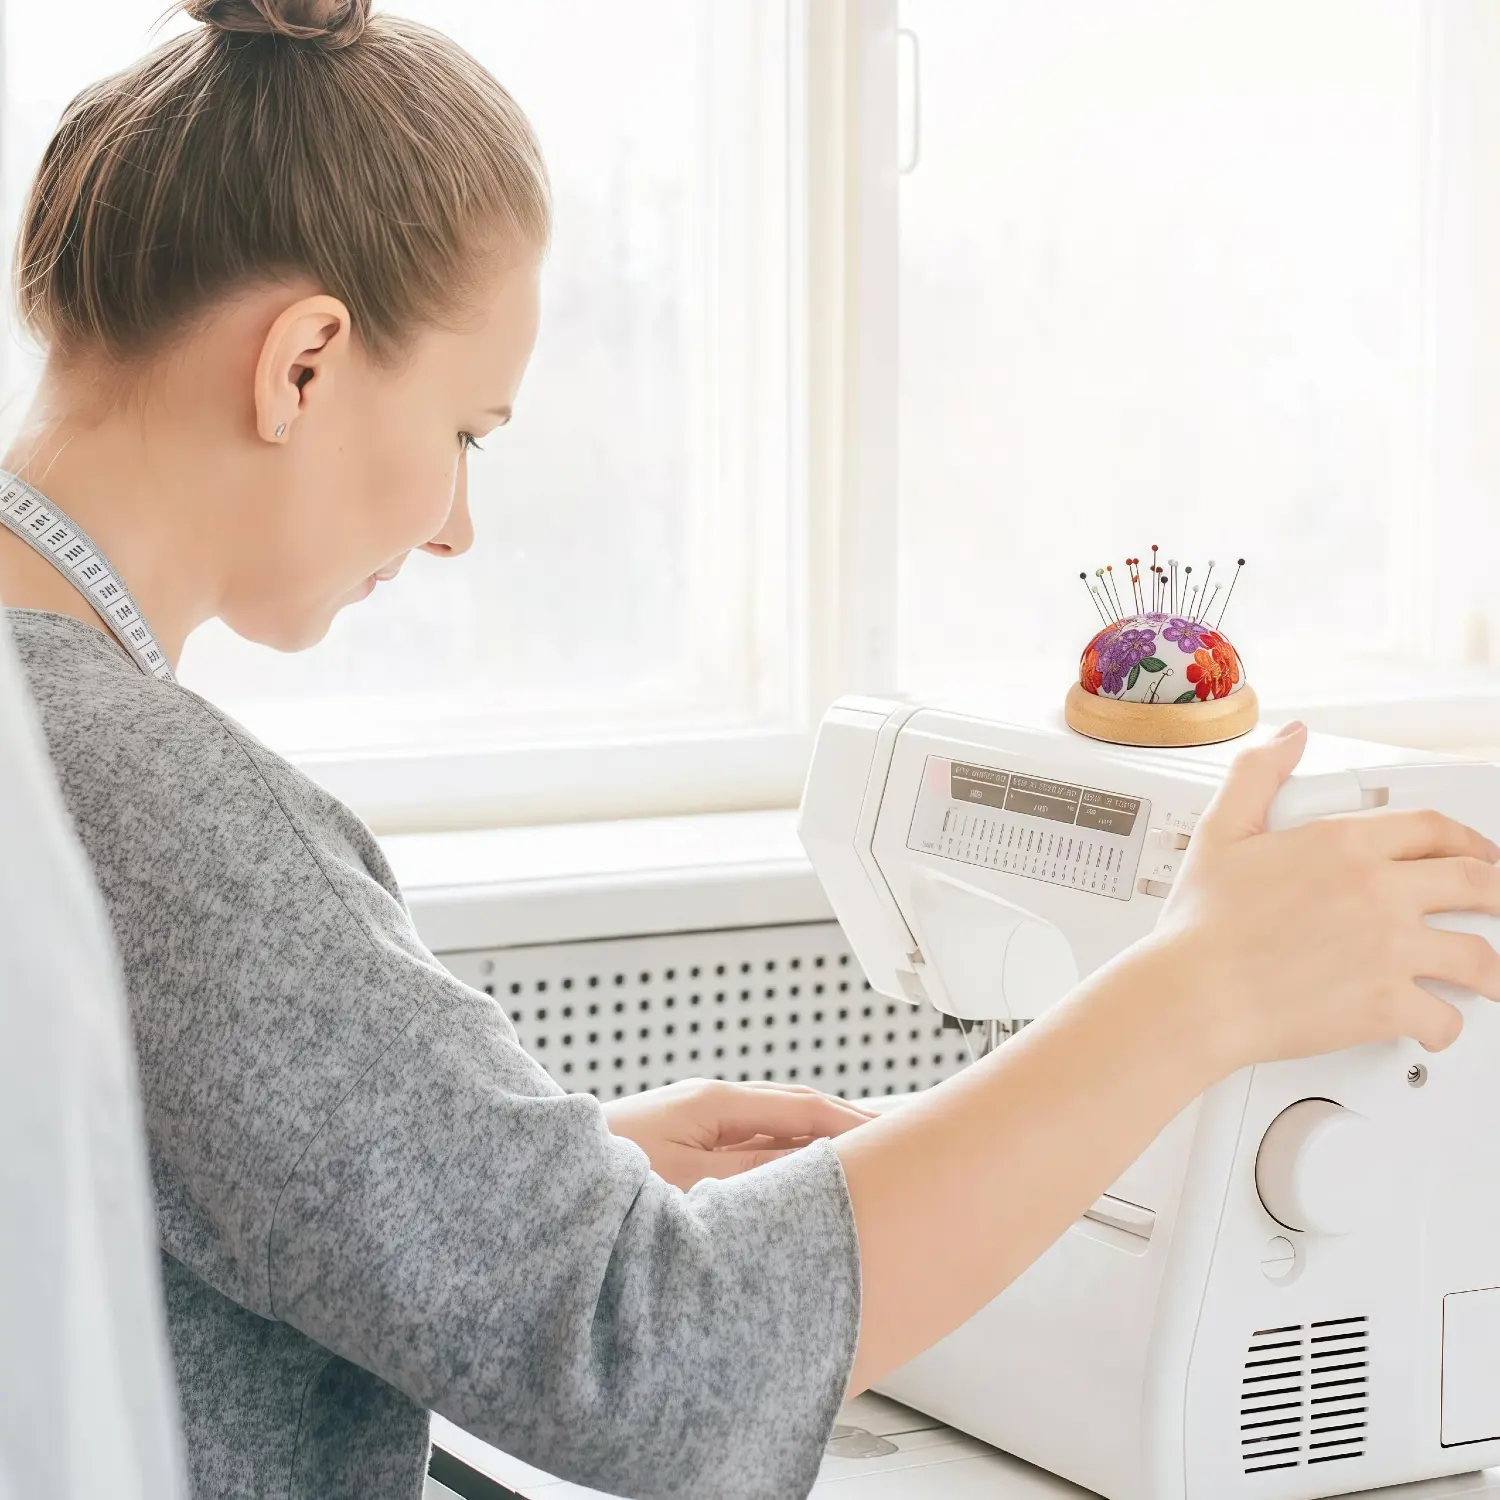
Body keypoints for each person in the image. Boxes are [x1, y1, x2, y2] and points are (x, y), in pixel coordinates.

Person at [3, 2, 1499, 1497]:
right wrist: (1199, 990)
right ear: (305, 364)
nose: (458, 523)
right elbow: (665, 1366)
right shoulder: (157, 813)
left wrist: (509, 1185)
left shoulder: (47, 747)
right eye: (473, 430)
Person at [0, 601, 187, 1500]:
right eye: (461, 448)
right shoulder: (174, 793)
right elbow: (613, 1314)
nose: (455, 535)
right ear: (278, 439)